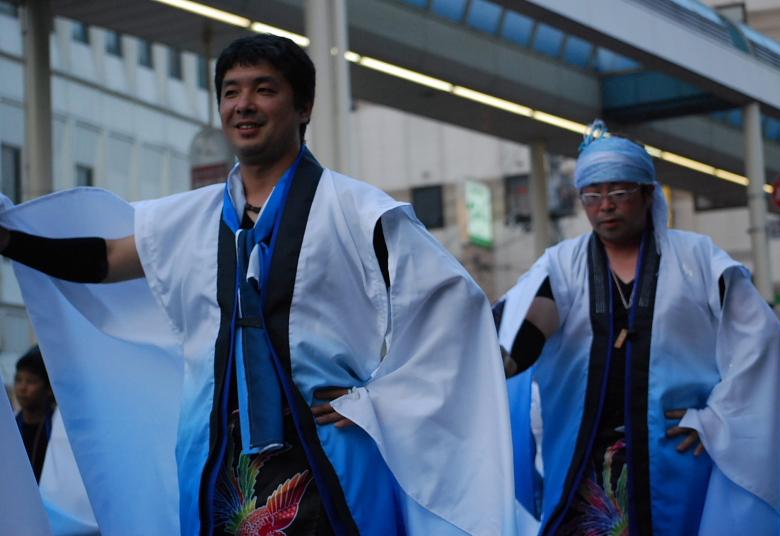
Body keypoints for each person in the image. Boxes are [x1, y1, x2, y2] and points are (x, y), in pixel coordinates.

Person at [0, 34, 516, 535]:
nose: (243, 105)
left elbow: (455, 307)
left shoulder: (359, 212)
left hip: (329, 458)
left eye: (264, 89)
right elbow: (106, 259)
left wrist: (382, 398)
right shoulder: (192, 217)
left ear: (304, 106)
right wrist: (10, 240)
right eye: (231, 91)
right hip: (218, 464)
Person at [495, 120, 780, 535]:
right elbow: (533, 318)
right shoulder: (561, 263)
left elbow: (760, 342)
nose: (605, 206)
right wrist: (500, 359)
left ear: (648, 194)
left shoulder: (697, 259)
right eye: (592, 195)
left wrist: (719, 419)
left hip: (673, 453)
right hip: (585, 458)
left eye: (619, 193)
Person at [13, 346, 55, 482]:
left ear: (48, 388)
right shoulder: (10, 426)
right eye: (18, 380)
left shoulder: (58, 430)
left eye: (30, 381)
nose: (22, 388)